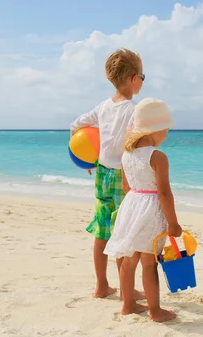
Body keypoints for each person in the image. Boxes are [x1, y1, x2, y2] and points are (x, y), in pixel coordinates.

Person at [70, 48, 145, 299]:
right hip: (122, 178)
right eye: (143, 77)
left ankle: (102, 285)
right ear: (134, 79)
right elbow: (131, 146)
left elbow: (76, 125)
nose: (143, 81)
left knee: (103, 230)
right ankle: (126, 290)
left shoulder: (103, 107)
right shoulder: (133, 110)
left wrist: (86, 158)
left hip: (102, 175)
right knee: (122, 231)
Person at [104, 97, 182, 322]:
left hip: (131, 206)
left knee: (129, 259)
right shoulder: (158, 157)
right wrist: (173, 223)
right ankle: (155, 311)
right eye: (165, 130)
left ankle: (128, 304)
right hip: (150, 210)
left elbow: (126, 186)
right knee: (149, 262)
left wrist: (136, 201)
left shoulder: (126, 155)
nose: (166, 136)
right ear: (153, 130)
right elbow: (164, 193)